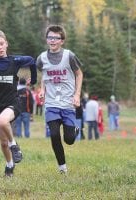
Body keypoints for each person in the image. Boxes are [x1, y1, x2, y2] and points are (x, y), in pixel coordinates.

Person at [0, 29, 37, 177]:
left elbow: (32, 60)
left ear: (6, 44)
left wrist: (35, 79)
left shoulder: (15, 61)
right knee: (3, 143)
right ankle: (9, 164)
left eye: (1, 44)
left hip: (12, 102)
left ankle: (15, 145)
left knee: (2, 122)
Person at [37, 25, 83, 174]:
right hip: (51, 104)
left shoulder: (69, 56)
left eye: (56, 38)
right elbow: (43, 75)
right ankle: (62, 167)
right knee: (54, 134)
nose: (52, 40)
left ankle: (75, 129)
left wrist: (77, 95)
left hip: (68, 103)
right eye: (50, 37)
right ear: (47, 39)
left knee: (69, 139)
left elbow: (79, 74)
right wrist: (42, 90)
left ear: (62, 41)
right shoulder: (42, 58)